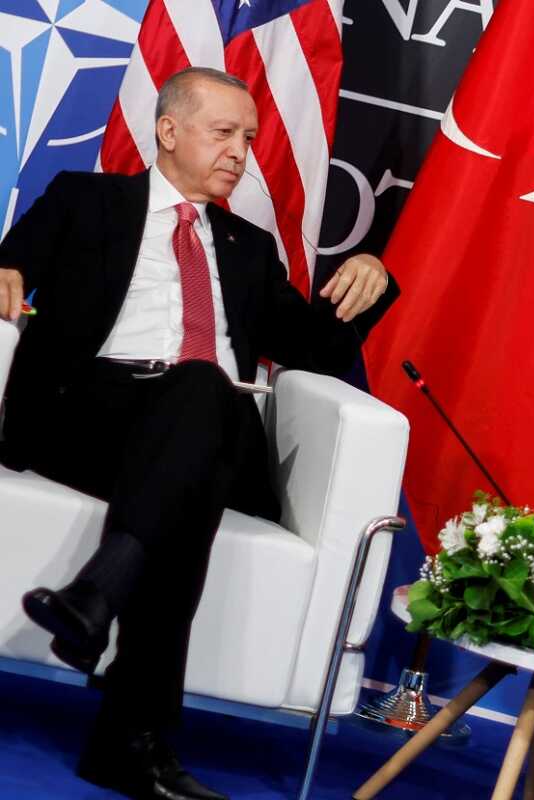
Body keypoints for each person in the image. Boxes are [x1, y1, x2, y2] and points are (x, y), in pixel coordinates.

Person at [0, 68, 398, 800]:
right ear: (168, 130)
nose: (241, 153)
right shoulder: (85, 200)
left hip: (203, 419)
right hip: (89, 418)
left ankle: (98, 591)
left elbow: (316, 348)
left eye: (248, 138)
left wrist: (370, 277)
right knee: (188, 483)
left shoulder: (248, 247)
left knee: (201, 390)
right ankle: (134, 742)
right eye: (224, 133)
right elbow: (11, 262)